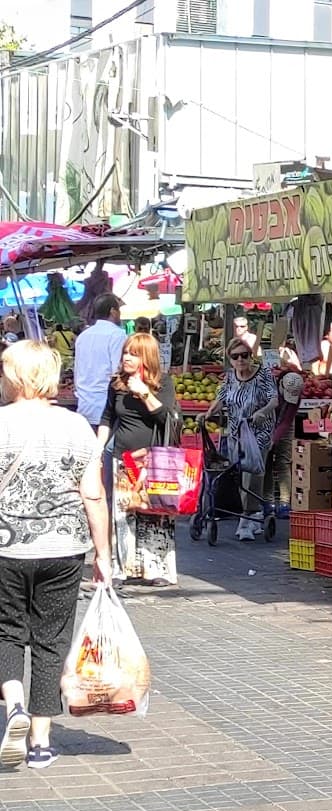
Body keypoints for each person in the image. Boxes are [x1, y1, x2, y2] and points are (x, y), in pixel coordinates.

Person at [0, 340, 112, 770]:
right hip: (64, 548)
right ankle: (41, 742)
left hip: (7, 547)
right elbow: (93, 494)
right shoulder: (77, 427)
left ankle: (14, 704)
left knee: (7, 630)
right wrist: (102, 553)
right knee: (51, 640)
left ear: (14, 377)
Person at [97, 333, 179, 586]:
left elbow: (171, 420)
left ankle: (157, 569)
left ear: (146, 357)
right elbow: (107, 418)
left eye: (133, 354)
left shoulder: (163, 384)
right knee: (124, 512)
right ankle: (124, 568)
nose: (126, 358)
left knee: (154, 512)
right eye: (125, 353)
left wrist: (144, 393)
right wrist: (97, 450)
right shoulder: (117, 385)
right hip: (125, 458)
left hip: (154, 461)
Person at [207, 338, 277, 541]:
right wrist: (208, 413)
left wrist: (263, 412)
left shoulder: (263, 374)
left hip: (258, 432)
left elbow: (274, 399)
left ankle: (247, 518)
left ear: (250, 356)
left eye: (244, 355)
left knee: (252, 473)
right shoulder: (230, 377)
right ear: (230, 359)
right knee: (238, 472)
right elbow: (221, 398)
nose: (240, 360)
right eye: (235, 356)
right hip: (236, 431)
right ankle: (252, 514)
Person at [72, 295, 126, 427]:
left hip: (84, 406)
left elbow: (78, 370)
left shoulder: (83, 336)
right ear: (113, 311)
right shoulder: (117, 334)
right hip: (105, 409)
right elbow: (118, 372)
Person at [268, 343, 306, 501]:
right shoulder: (269, 387)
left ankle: (285, 500)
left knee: (282, 462)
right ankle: (267, 499)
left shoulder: (296, 392)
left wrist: (274, 440)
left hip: (283, 425)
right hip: (265, 423)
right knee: (266, 463)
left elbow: (286, 420)